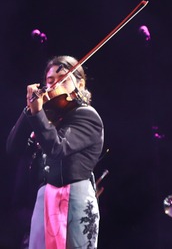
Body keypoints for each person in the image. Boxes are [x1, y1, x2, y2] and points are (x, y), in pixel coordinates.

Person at [6, 56, 104, 249]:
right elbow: (14, 148)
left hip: (75, 195)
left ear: (80, 84)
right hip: (46, 197)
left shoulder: (86, 115)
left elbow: (57, 148)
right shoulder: (48, 120)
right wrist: (29, 110)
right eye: (50, 81)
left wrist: (37, 114)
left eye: (62, 79)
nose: (53, 85)